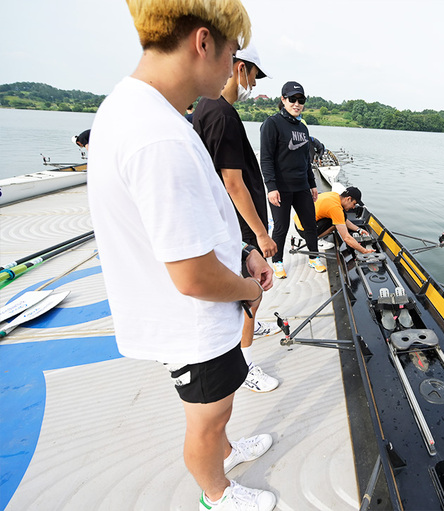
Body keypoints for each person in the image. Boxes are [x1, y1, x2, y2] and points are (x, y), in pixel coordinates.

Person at [86, 2, 276, 510]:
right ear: (203, 42)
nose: (234, 64)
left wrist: (240, 251)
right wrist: (250, 290)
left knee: (220, 409)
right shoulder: (158, 136)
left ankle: (227, 454)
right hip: (189, 321)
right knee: (207, 417)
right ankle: (216, 492)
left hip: (199, 312)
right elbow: (192, 277)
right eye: (234, 51)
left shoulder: (140, 109)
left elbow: (193, 222)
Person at [193, 42, 280, 393]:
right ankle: (243, 365)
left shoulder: (207, 107)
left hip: (225, 221)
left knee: (248, 297)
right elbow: (233, 182)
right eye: (255, 76)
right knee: (250, 294)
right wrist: (261, 235)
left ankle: (248, 332)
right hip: (238, 226)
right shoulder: (222, 114)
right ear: (240, 67)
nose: (255, 86)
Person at [260, 81, 325, 279]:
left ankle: (313, 257)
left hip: (302, 186)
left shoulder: (303, 128)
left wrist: (312, 184)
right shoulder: (272, 124)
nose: (296, 103)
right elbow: (266, 158)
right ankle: (277, 262)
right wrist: (271, 187)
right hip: (281, 187)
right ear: (283, 100)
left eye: (301, 100)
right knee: (281, 227)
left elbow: (306, 160)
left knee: (310, 224)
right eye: (292, 99)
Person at [294, 186, 375, 255]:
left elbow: (343, 219)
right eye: (354, 204)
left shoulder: (335, 195)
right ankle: (317, 240)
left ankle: (316, 235)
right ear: (348, 199)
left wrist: (359, 229)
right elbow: (346, 238)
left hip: (298, 222)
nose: (354, 207)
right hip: (304, 231)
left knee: (340, 216)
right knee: (336, 223)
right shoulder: (335, 208)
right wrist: (364, 251)